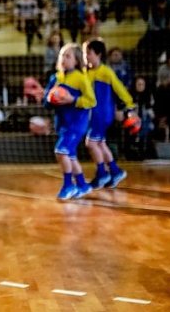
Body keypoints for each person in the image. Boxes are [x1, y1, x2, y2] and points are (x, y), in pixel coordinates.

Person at [43, 43, 96, 201]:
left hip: (77, 123)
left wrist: (72, 99)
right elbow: (46, 103)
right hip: (63, 123)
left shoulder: (81, 78)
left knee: (61, 151)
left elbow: (91, 101)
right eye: (62, 56)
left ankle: (68, 185)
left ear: (77, 61)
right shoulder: (56, 78)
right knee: (70, 156)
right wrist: (51, 98)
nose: (64, 59)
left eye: (68, 56)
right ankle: (82, 185)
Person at [83, 39, 135, 189]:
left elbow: (120, 89)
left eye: (89, 53)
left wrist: (130, 105)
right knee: (100, 143)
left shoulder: (105, 71)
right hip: (94, 114)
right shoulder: (86, 72)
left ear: (98, 54)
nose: (86, 56)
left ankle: (102, 173)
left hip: (102, 114)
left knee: (91, 143)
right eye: (85, 52)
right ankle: (115, 171)